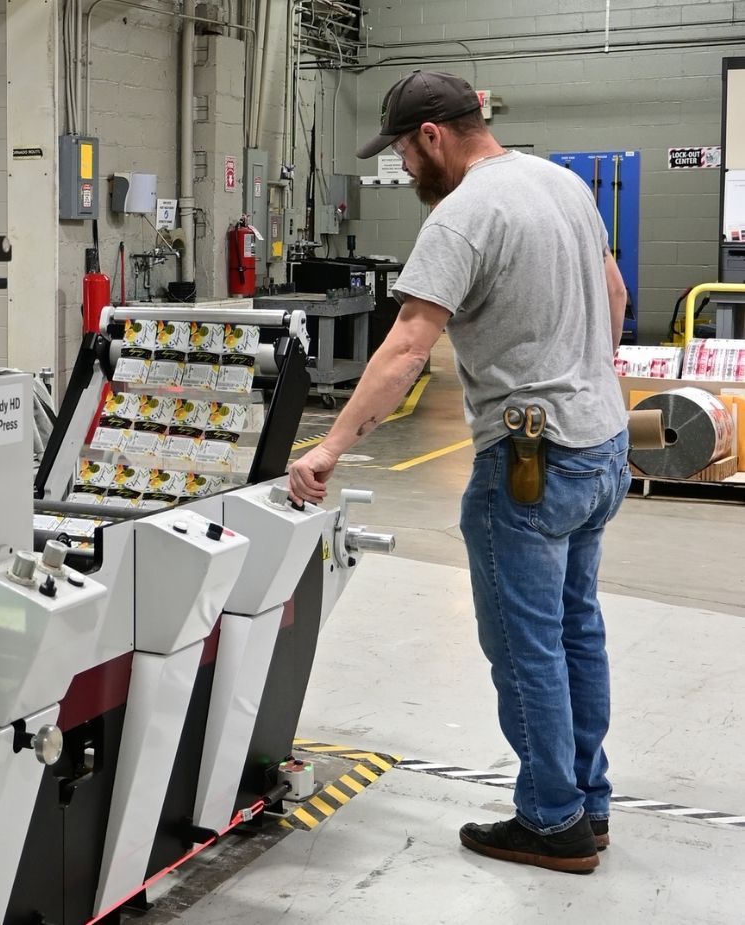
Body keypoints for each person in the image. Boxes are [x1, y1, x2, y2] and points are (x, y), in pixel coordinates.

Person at [286, 70, 630, 874]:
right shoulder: (561, 183)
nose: (404, 169)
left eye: (404, 153)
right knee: (575, 627)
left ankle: (552, 821)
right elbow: (613, 291)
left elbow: (406, 347)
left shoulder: (460, 215)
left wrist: (330, 445)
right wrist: (588, 376)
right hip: (601, 445)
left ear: (433, 136)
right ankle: (587, 800)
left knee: (524, 645)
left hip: (529, 465)